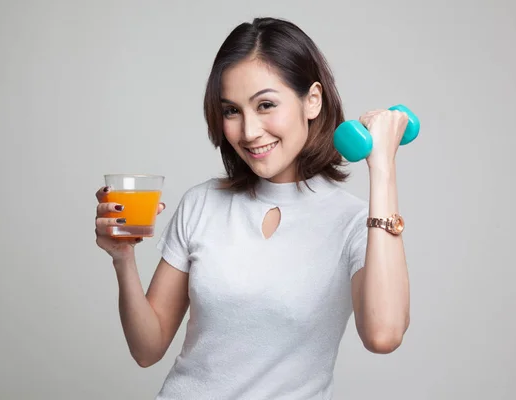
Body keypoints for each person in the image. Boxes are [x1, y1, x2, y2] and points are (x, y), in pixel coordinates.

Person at [95, 17, 411, 400]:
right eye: (232, 111)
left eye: (265, 105)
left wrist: (383, 169)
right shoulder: (202, 203)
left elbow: (384, 334)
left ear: (312, 100)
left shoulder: (356, 223)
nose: (248, 131)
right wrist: (123, 258)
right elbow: (147, 349)